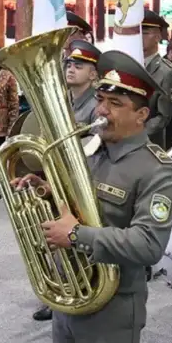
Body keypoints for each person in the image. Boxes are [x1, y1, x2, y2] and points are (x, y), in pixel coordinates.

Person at [17, 50, 172, 343]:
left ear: (142, 114)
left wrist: (76, 235)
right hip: (70, 297)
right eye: (102, 100)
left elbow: (148, 245)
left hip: (113, 306)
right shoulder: (91, 153)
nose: (101, 111)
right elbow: (80, 205)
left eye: (115, 104)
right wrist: (46, 190)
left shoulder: (157, 170)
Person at [33, 39, 102, 323]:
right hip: (59, 176)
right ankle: (62, 288)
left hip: (83, 180)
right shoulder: (64, 100)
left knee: (78, 236)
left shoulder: (98, 105)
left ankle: (83, 287)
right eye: (69, 64)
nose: (71, 69)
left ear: (94, 73)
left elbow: (93, 143)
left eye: (80, 65)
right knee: (57, 235)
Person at [140, 10, 172, 146]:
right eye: (137, 32)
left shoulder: (167, 72)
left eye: (145, 33)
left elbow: (163, 116)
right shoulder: (129, 65)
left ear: (157, 37)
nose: (140, 37)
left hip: (149, 143)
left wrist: (137, 132)